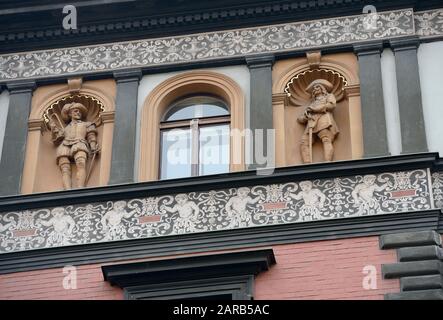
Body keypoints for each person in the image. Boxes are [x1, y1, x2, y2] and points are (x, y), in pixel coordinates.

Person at [49, 102, 99, 189]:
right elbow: (56, 139)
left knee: (81, 163)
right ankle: (67, 189)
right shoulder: (65, 128)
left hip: (80, 143)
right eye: (76, 111)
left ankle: (80, 187)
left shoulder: (87, 124)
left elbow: (91, 136)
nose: (78, 113)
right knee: (65, 168)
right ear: (69, 114)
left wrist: (93, 146)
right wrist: (53, 129)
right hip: (64, 145)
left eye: (79, 111)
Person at [297, 79, 339, 163]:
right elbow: (301, 119)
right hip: (311, 124)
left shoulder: (328, 96)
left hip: (323, 120)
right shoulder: (312, 103)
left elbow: (331, 105)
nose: (314, 89)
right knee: (304, 142)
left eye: (317, 87)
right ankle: (307, 164)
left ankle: (327, 161)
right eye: (313, 88)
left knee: (326, 139)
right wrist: (305, 116)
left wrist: (315, 109)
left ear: (322, 88)